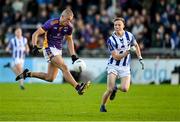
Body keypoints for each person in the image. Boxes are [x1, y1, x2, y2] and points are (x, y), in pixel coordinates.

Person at [15, 8, 90, 95]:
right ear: (62, 16)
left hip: (58, 50)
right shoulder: (51, 23)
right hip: (48, 48)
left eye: (70, 20)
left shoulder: (69, 27)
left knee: (50, 78)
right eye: (67, 19)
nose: (69, 22)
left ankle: (27, 74)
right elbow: (35, 34)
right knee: (64, 67)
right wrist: (34, 46)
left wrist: (73, 55)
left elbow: (69, 40)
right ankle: (78, 87)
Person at [100, 17, 144, 112]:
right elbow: (115, 56)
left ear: (123, 25)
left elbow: (136, 45)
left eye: (119, 25)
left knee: (125, 89)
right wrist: (127, 52)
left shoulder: (129, 35)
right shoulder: (111, 40)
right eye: (115, 25)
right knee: (110, 89)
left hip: (125, 66)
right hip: (113, 65)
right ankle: (103, 106)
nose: (117, 26)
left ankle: (117, 87)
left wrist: (140, 57)